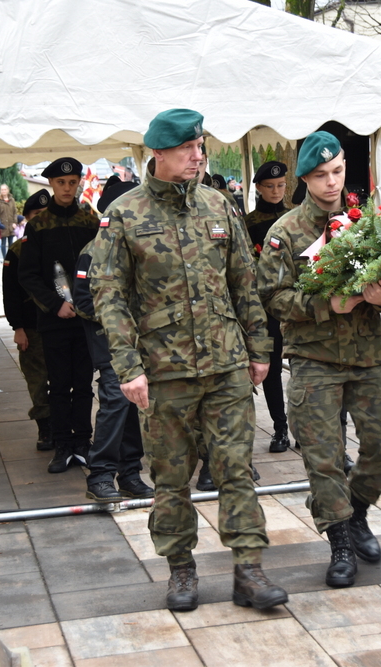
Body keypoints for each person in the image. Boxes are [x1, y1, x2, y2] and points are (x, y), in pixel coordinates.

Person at [89, 108, 287, 612]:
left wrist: (259, 349)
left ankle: (249, 569)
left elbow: (246, 282)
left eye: (200, 147)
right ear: (158, 153)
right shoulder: (124, 215)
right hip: (165, 373)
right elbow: (108, 295)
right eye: (187, 149)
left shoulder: (219, 207)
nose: (198, 156)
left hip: (225, 366)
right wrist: (127, 366)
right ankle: (180, 569)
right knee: (172, 478)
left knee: (236, 469)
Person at [257, 131, 381, 588]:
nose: (330, 183)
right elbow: (273, 297)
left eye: (337, 171)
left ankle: (356, 512)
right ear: (304, 178)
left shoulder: (370, 222)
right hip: (314, 359)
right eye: (320, 175)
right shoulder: (285, 233)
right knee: (323, 457)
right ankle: (340, 539)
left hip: (368, 355)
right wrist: (328, 305)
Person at [18, 157, 98, 473]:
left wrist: (89, 303)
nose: (67, 188)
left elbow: (100, 264)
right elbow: (29, 275)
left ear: (79, 182)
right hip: (53, 320)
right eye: (61, 182)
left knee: (83, 383)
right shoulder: (38, 226)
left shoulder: (89, 220)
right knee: (59, 383)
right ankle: (62, 443)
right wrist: (55, 304)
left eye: (73, 182)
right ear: (51, 184)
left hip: (86, 318)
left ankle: (83, 442)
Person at [73, 240, 153, 502]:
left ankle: (130, 474)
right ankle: (100, 476)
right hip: (110, 343)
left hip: (142, 343)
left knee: (136, 406)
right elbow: (83, 301)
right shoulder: (93, 251)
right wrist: (120, 318)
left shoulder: (142, 245)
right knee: (116, 403)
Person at [244, 161, 292, 453]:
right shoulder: (248, 224)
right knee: (271, 370)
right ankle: (280, 428)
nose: (276, 191)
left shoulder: (294, 219)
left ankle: (305, 427)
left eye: (281, 185)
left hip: (297, 306)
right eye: (270, 186)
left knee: (303, 367)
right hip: (266, 307)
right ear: (259, 187)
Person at [3, 189, 53, 451]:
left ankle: (67, 427)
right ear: (26, 218)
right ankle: (45, 428)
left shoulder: (63, 246)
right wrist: (17, 328)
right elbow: (10, 293)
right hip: (32, 328)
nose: (42, 219)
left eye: (46, 214)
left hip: (60, 325)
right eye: (36, 215)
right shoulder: (17, 252)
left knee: (64, 379)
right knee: (37, 380)